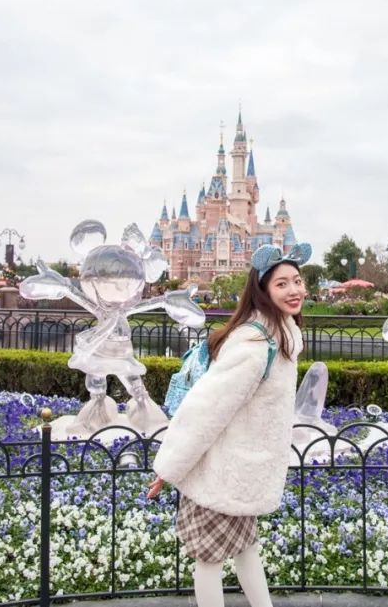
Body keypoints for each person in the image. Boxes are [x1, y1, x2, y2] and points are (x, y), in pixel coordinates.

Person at [147, 242, 311, 607]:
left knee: (245, 549)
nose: (294, 290)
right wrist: (170, 466)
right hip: (221, 471)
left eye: (297, 281)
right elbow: (205, 409)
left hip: (241, 470)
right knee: (211, 561)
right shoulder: (255, 343)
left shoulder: (280, 335)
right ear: (264, 290)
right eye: (282, 284)